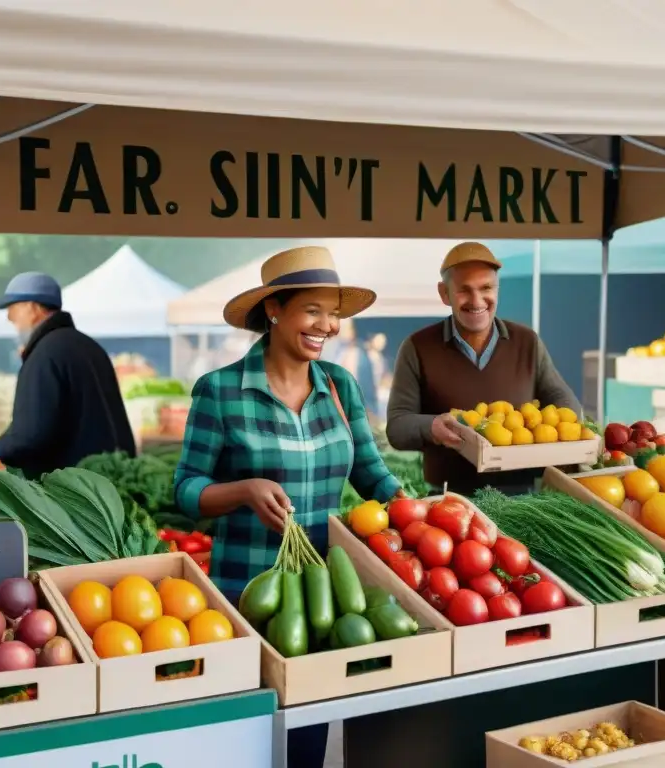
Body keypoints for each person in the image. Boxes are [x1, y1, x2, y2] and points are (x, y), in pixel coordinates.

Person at [172, 246, 403, 768]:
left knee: (305, 745)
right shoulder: (221, 391)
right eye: (313, 310)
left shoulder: (339, 385)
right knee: (246, 742)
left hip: (322, 593)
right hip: (245, 593)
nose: (328, 325)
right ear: (274, 310)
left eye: (334, 312)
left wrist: (416, 507)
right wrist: (243, 490)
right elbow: (185, 491)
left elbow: (370, 471)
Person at [386, 241, 582, 496]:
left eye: (486, 288)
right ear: (444, 293)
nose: (477, 300)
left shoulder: (527, 342)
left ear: (497, 289)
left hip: (523, 500)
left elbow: (565, 404)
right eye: (464, 290)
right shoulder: (417, 347)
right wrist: (432, 427)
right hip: (448, 500)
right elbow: (397, 426)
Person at [0, 272, 135, 479]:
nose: (9, 318)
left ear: (32, 308)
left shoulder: (44, 354)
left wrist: (2, 447)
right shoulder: (90, 347)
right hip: (107, 483)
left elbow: (30, 436)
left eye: (13, 309)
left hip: (71, 493)